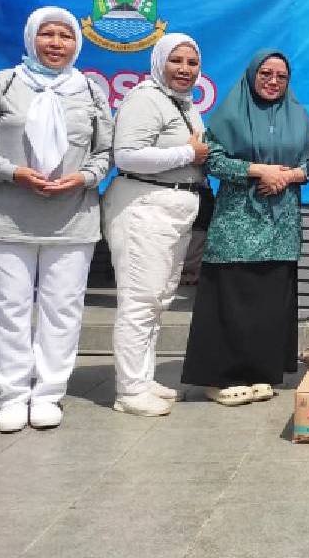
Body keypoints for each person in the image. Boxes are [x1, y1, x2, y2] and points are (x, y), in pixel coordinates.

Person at [0, 7, 112, 432]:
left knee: (63, 309)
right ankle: (13, 395)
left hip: (72, 219)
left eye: (65, 36)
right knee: (8, 309)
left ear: (78, 43)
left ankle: (49, 393)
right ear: (31, 38)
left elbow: (106, 153)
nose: (56, 44)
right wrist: (11, 172)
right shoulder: (4, 84)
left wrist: (84, 177)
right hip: (6, 217)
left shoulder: (90, 91)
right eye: (47, 35)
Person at [180, 49, 309, 405]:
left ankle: (261, 372)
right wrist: (258, 171)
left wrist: (285, 176)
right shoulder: (231, 113)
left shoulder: (298, 116)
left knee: (269, 299)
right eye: (266, 74)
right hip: (237, 222)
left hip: (281, 224)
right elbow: (211, 159)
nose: (273, 81)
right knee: (231, 297)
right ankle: (219, 378)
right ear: (252, 75)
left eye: (281, 77)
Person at [105, 33, 209, 417]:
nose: (184, 70)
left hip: (173, 210)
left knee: (158, 299)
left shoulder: (181, 103)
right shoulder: (145, 98)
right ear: (159, 62)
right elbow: (127, 155)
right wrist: (189, 152)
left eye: (192, 63)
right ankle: (129, 391)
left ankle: (143, 379)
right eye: (176, 61)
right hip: (142, 206)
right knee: (139, 300)